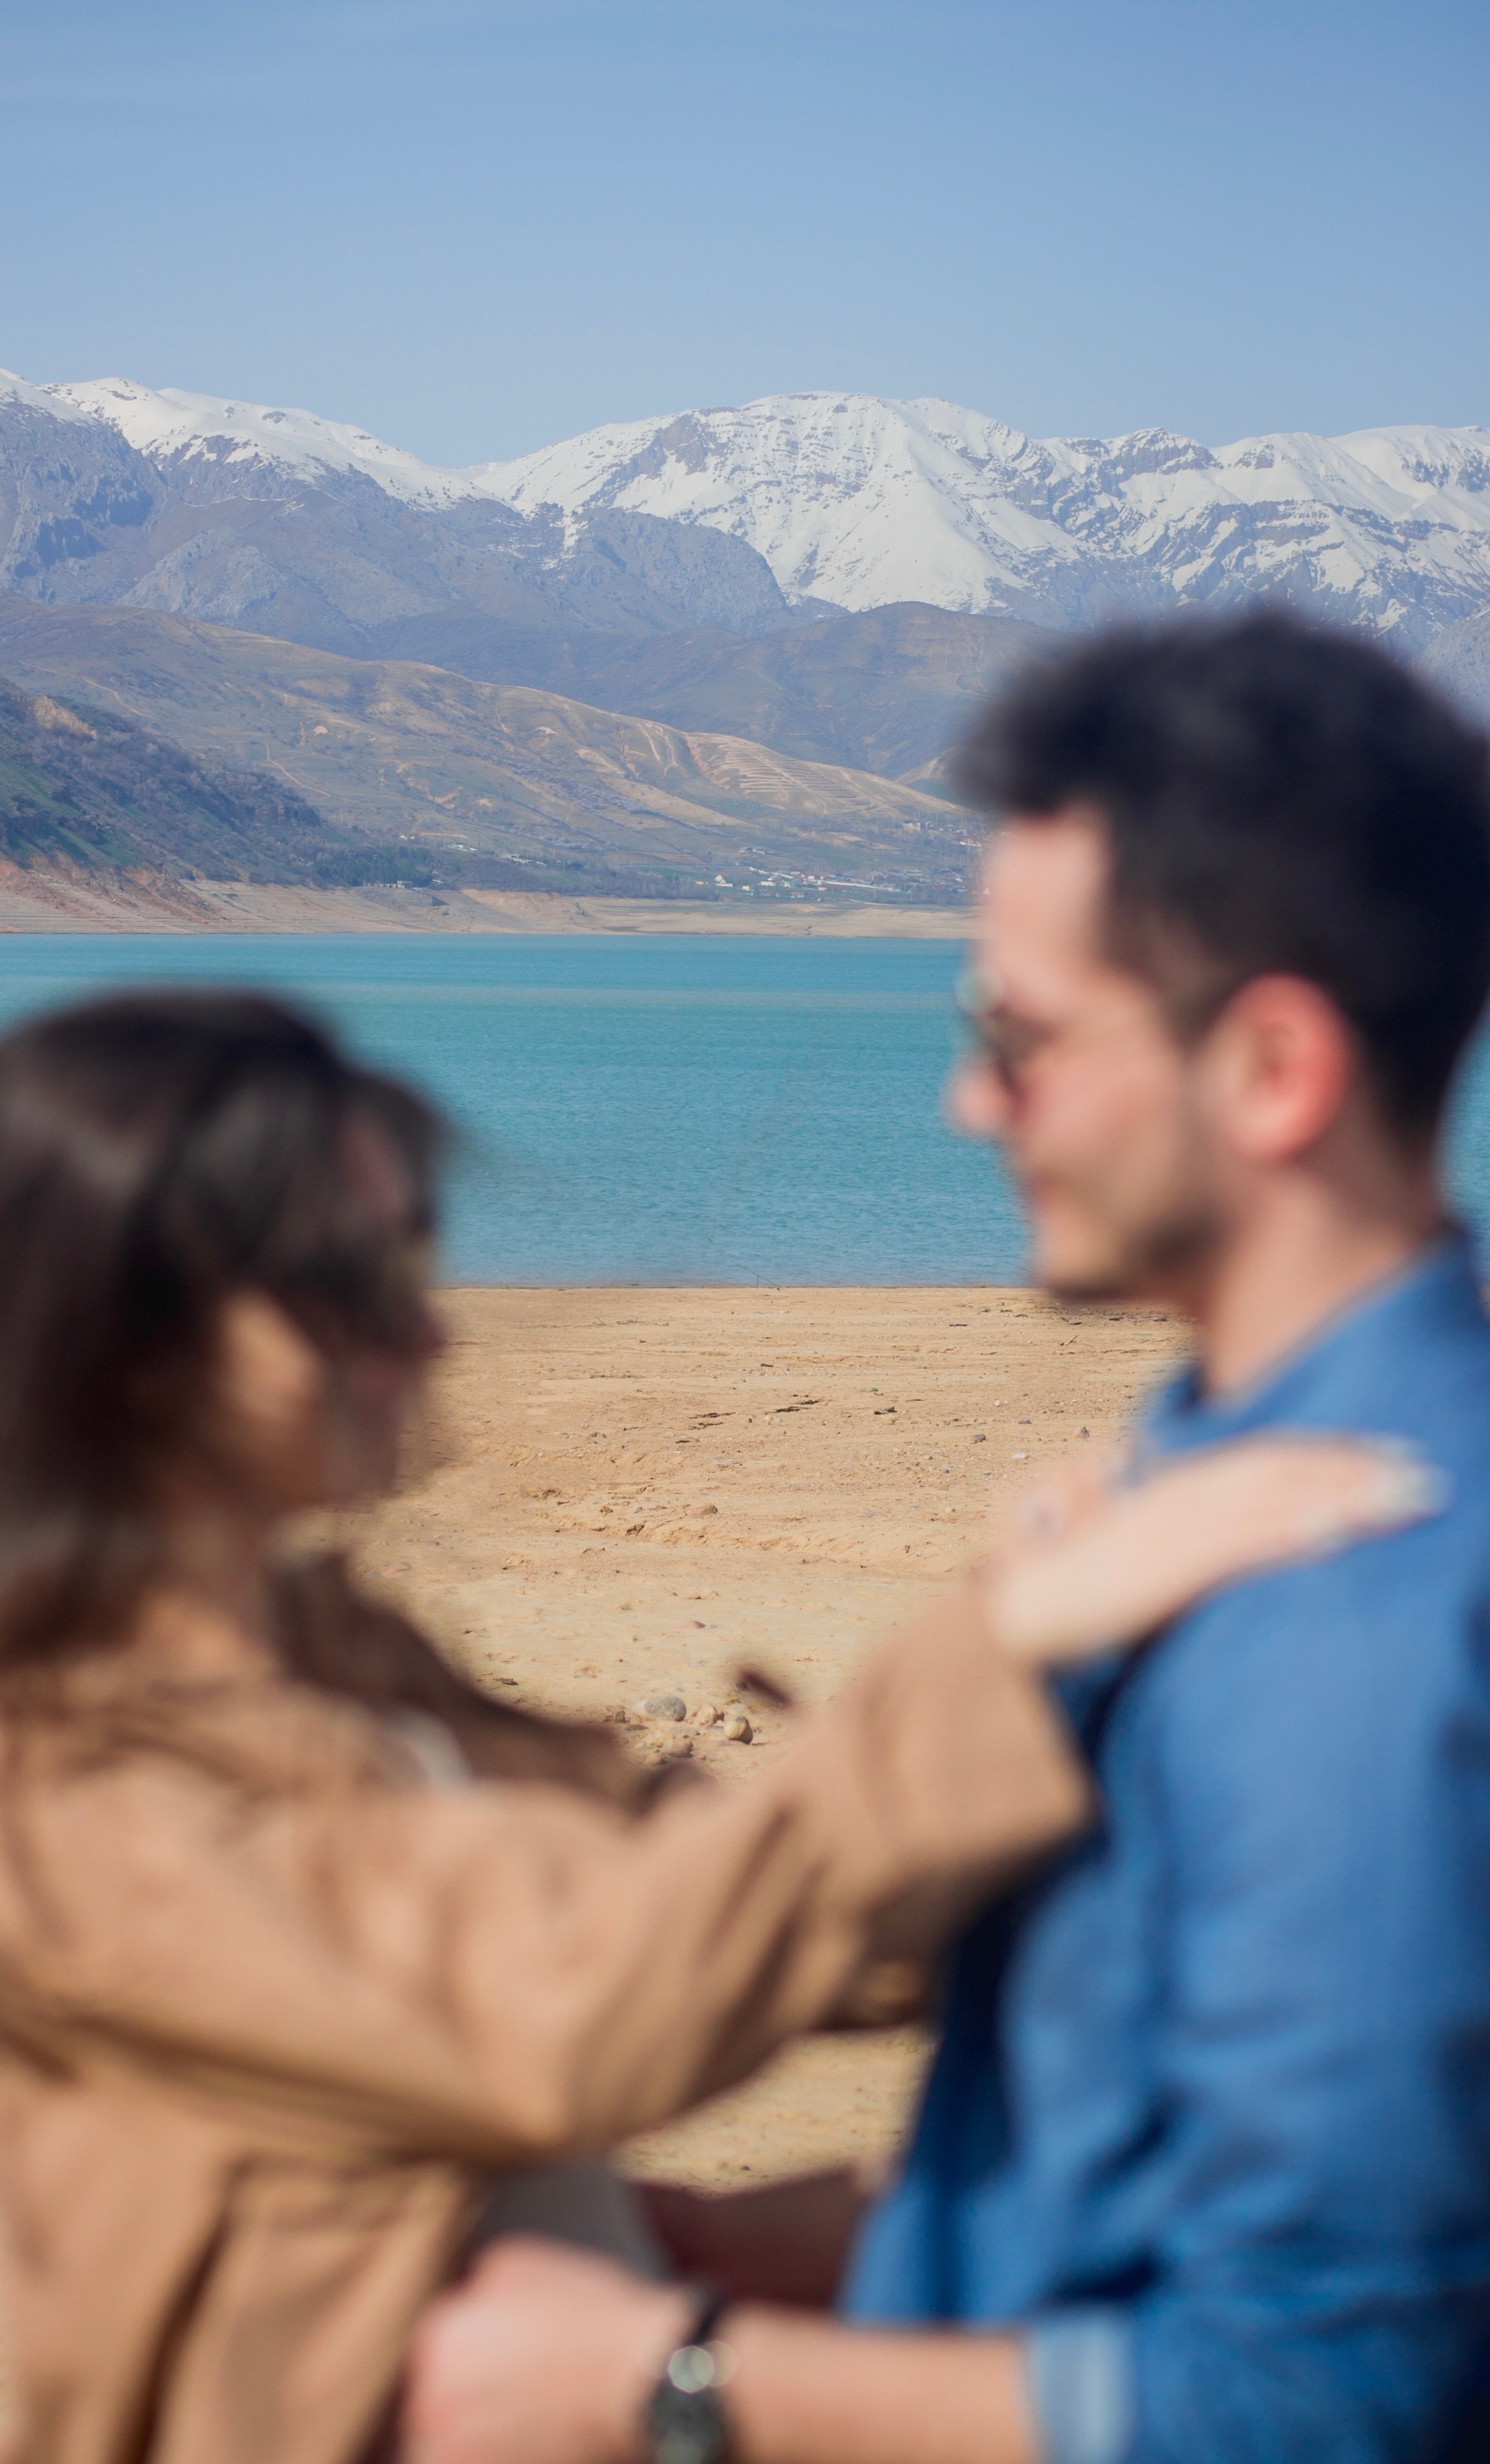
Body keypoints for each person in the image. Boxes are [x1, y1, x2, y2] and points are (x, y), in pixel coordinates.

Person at [0, 989, 1398, 2464]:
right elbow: (562, 2008)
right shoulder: (43, 1781)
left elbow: (712, 1872)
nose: (428, 1334)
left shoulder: (336, 1656)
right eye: (350, 1285)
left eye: (418, 1253)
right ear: (131, 1346)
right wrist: (991, 1650)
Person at [404, 609, 1490, 2464]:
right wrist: (809, 2243)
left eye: (1023, 1038)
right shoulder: (1215, 1467)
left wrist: (664, 2382)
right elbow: (1145, 2144)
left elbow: (1320, 2402)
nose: (969, 1101)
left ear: (1274, 1071)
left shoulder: (1345, 1600)